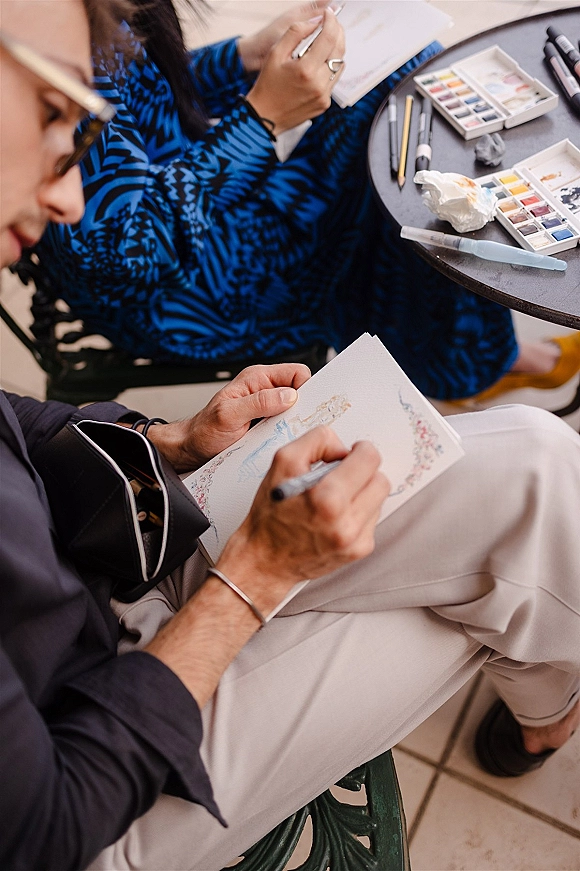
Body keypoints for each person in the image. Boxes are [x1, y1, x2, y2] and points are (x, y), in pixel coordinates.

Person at [1, 3, 580, 870]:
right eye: (53, 120)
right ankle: (549, 711)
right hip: (99, 781)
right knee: (488, 583)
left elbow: (16, 418)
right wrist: (252, 581)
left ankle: (547, 706)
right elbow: (44, 826)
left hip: (110, 550)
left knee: (537, 464)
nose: (69, 192)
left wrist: (171, 438)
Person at [34, 0, 580, 402]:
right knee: (403, 128)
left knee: (397, 89)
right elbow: (126, 252)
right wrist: (262, 119)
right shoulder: (51, 38)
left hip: (197, 219)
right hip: (179, 292)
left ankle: (457, 353)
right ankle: (467, 359)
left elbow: (142, 102)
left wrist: (245, 57)